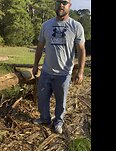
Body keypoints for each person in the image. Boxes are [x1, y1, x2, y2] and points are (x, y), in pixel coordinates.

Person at [32, 0, 86, 134]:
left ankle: (58, 122)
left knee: (60, 102)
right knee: (43, 98)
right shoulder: (46, 25)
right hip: (46, 71)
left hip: (64, 73)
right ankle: (45, 118)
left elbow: (81, 50)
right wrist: (35, 65)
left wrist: (80, 72)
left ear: (69, 5)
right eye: (58, 2)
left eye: (64, 2)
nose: (61, 5)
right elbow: (39, 47)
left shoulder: (76, 26)